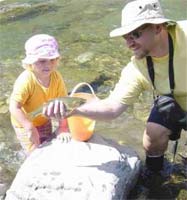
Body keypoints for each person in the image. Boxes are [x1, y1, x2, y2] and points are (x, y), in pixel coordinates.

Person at [43, 0, 187, 176]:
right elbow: (111, 108)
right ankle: (156, 178)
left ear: (158, 28)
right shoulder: (137, 68)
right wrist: (72, 111)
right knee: (152, 136)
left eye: (135, 34)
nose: (129, 43)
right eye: (126, 37)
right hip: (172, 103)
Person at [9, 34, 69, 155]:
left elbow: (64, 102)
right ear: (31, 62)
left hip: (43, 119)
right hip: (24, 123)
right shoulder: (26, 80)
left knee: (46, 143)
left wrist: (63, 128)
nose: (48, 65)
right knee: (34, 152)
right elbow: (14, 107)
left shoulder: (56, 77)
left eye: (52, 60)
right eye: (42, 61)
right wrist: (29, 127)